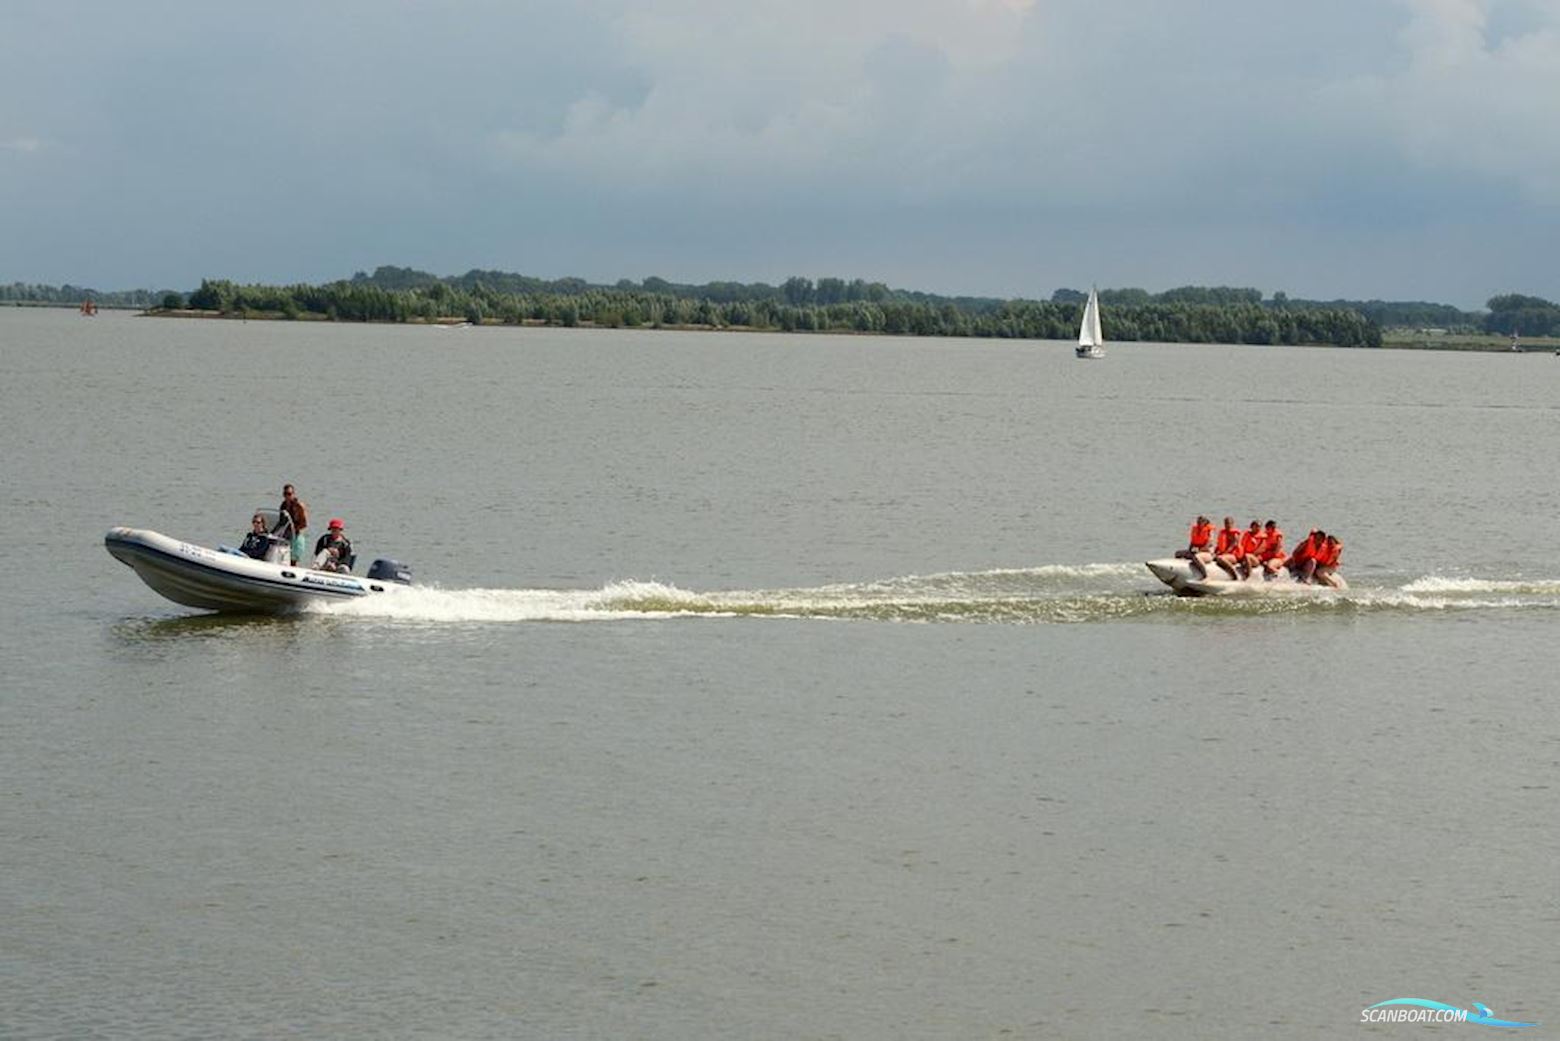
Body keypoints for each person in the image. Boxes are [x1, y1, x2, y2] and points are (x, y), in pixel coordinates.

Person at [277, 483, 309, 566]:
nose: (287, 496)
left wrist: (294, 529)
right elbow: (281, 521)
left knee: (293, 559)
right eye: (285, 494)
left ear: (293, 494)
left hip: (296, 534)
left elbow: (304, 523)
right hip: (286, 533)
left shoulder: (299, 506)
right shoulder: (283, 505)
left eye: (289, 494)